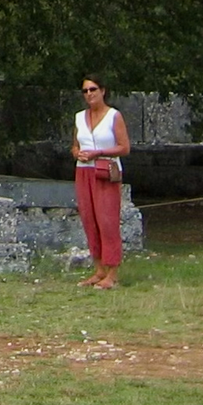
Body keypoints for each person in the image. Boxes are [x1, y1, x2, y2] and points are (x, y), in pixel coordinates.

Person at [70, 75, 131, 288]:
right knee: (89, 219)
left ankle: (112, 272)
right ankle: (98, 269)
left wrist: (100, 152)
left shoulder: (114, 116)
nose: (89, 94)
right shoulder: (79, 118)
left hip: (106, 171)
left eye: (93, 89)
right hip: (84, 171)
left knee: (107, 221)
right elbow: (75, 145)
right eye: (85, 91)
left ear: (103, 91)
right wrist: (78, 153)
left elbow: (124, 147)